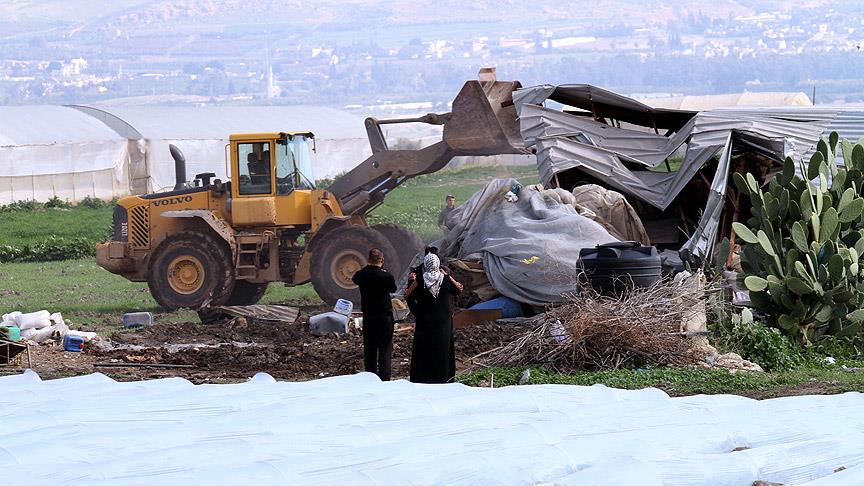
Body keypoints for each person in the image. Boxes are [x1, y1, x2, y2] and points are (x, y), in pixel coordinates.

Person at [405, 253, 463, 384]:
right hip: (443, 321)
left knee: (424, 348)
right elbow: (458, 289)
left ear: (426, 265)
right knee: (442, 347)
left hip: (425, 320)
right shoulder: (445, 279)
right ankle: (443, 377)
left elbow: (408, 295)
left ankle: (423, 377)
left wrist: (417, 312)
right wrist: (447, 276)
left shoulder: (419, 280)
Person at [351, 248, 397, 381]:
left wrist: (368, 266)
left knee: (370, 348)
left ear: (368, 260)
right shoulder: (386, 276)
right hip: (384, 317)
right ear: (382, 260)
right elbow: (393, 288)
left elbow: (355, 278)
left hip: (369, 316)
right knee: (385, 349)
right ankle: (384, 378)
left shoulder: (361, 275)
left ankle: (370, 377)